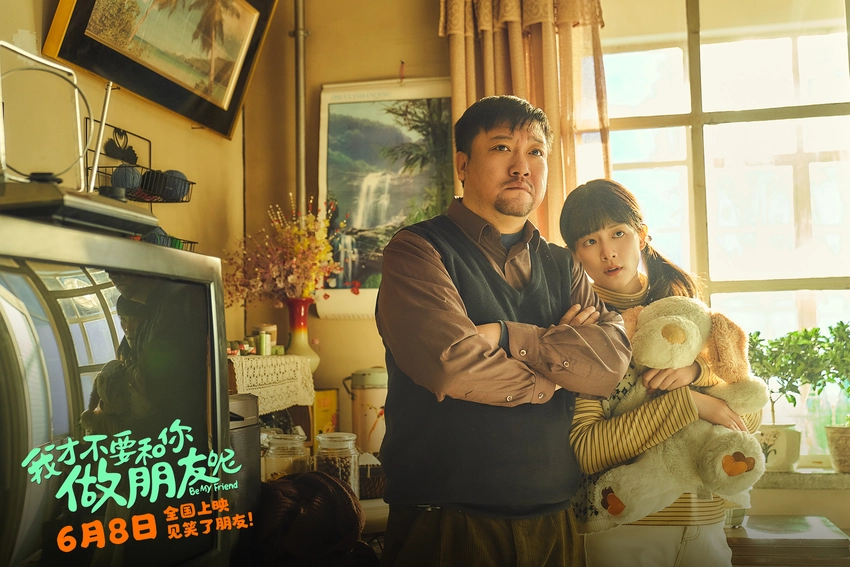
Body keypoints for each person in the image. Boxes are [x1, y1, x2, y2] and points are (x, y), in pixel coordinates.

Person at [376, 96, 631, 567]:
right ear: (462, 165)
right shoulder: (417, 251)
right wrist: (559, 373)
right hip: (446, 522)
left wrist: (507, 336)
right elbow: (452, 366)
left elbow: (610, 365)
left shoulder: (564, 265)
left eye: (535, 152)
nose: (521, 167)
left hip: (555, 520)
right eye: (501, 148)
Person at [559, 179, 763, 567]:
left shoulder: (689, 314)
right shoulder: (582, 329)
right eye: (590, 241)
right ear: (575, 256)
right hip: (623, 529)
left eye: (618, 233)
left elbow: (748, 418)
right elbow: (587, 450)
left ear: (641, 235)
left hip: (705, 524)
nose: (607, 251)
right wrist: (690, 403)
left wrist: (699, 372)